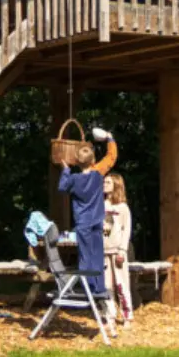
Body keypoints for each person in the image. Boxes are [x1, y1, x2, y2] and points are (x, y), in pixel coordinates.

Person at [58, 127, 117, 296]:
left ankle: (88, 288)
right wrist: (110, 139)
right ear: (92, 160)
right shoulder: (98, 173)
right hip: (97, 222)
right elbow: (111, 158)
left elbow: (62, 188)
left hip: (82, 223)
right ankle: (99, 288)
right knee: (98, 254)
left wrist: (66, 170)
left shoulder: (74, 179)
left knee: (85, 256)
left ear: (76, 161)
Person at [102, 173, 133, 326]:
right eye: (104, 182)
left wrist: (122, 250)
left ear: (116, 185)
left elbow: (126, 229)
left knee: (121, 284)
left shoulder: (123, 208)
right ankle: (110, 316)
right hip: (103, 252)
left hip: (118, 251)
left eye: (108, 182)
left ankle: (127, 316)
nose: (104, 184)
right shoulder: (101, 205)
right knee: (107, 286)